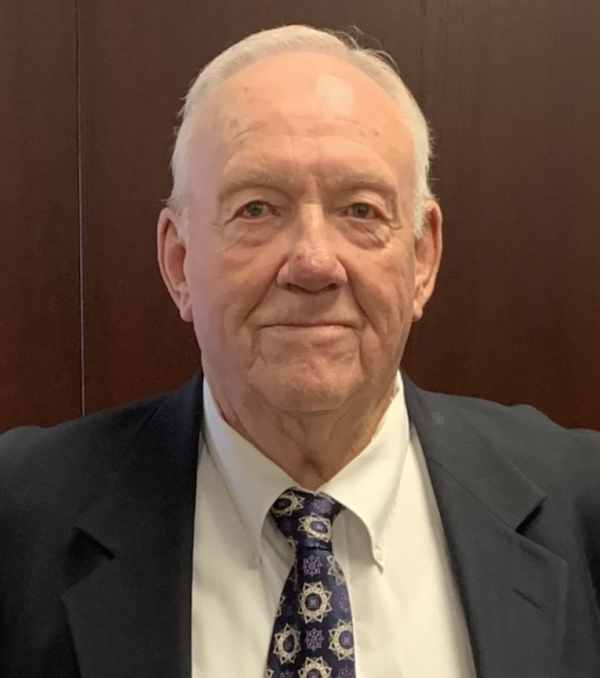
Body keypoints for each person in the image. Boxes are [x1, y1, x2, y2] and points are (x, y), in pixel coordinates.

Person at [0, 23, 599, 678]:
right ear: (178, 262)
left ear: (422, 258)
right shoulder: (18, 517)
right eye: (257, 208)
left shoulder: (581, 502)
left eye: (361, 210)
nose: (314, 263)